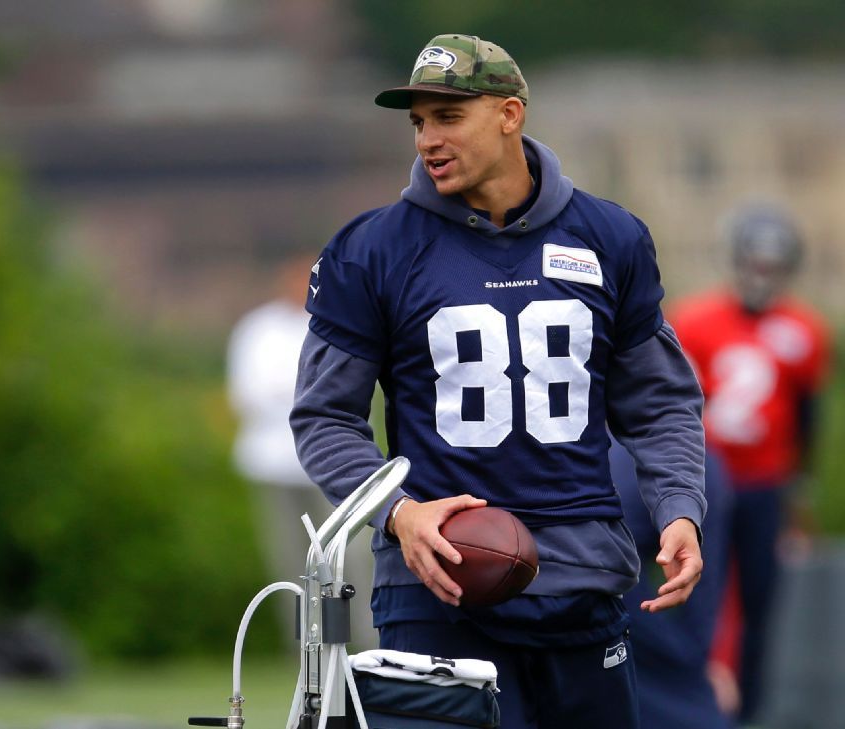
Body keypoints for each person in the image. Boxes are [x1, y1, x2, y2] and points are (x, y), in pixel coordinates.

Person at [291, 34, 706, 729]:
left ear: (510, 114)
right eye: (418, 121)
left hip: (582, 578)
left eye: (448, 117)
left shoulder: (610, 238)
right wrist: (401, 512)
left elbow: (659, 401)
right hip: (439, 585)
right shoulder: (372, 250)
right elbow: (324, 417)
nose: (428, 138)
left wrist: (680, 509)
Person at [670, 205, 831, 724]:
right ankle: (693, 701)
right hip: (706, 480)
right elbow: (669, 409)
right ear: (737, 261)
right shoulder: (695, 321)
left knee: (761, 599)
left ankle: (750, 710)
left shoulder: (804, 329)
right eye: (755, 262)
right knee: (699, 594)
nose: (762, 275)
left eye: (773, 265)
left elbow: (807, 417)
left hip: (765, 482)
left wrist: (797, 490)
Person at [227, 254, 376, 647]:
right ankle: (305, 647)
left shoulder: (334, 325)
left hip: (331, 464)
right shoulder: (258, 329)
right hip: (274, 465)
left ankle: (364, 640)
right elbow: (250, 394)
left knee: (349, 558)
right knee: (290, 563)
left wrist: (296, 394)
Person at [610, 438, 733, 729]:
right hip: (606, 588)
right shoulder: (704, 466)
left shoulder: (604, 445)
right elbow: (702, 594)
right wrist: (697, 664)